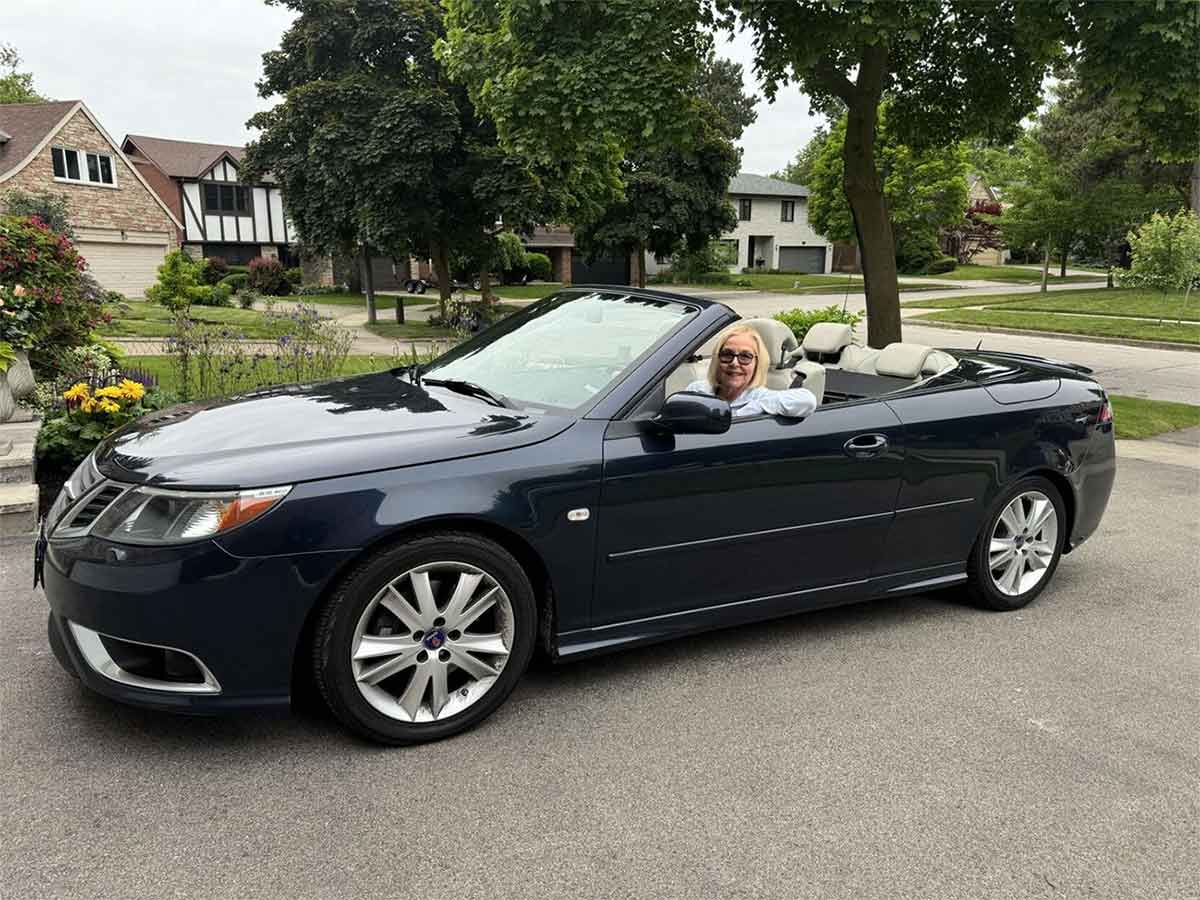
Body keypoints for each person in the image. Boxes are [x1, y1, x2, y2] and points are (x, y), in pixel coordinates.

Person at [684, 324, 817, 418]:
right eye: (727, 354)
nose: (734, 363)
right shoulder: (698, 390)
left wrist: (752, 410)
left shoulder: (761, 397)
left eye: (745, 356)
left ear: (757, 364)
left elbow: (808, 400)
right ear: (717, 359)